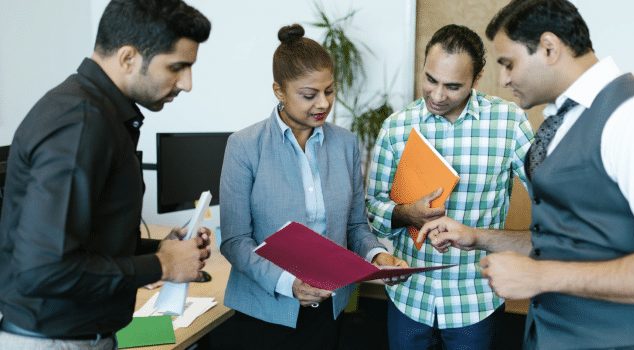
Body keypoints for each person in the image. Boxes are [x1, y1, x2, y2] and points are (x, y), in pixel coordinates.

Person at [419, 0, 634, 349]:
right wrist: (477, 236)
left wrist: (539, 275)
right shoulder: (562, 120)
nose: (504, 79)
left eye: (509, 63)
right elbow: (567, 243)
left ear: (549, 48)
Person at [0, 1, 212, 349]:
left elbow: (87, 243)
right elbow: (45, 269)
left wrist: (161, 248)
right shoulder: (80, 123)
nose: (187, 83)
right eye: (177, 67)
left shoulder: (102, 114)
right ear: (129, 57)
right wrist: (161, 265)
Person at [218, 24, 408, 350]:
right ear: (279, 90)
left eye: (330, 91)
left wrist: (377, 255)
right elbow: (235, 241)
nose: (323, 103)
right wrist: (289, 283)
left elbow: (355, 226)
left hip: (328, 309)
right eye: (309, 95)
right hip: (266, 311)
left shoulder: (345, 144)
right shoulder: (244, 146)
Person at [365, 24, 534, 349]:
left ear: (478, 77)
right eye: (431, 80)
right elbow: (373, 208)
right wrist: (405, 214)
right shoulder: (396, 127)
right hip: (409, 292)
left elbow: (551, 196)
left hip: (475, 296)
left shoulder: (509, 122)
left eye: (453, 86)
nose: (438, 95)